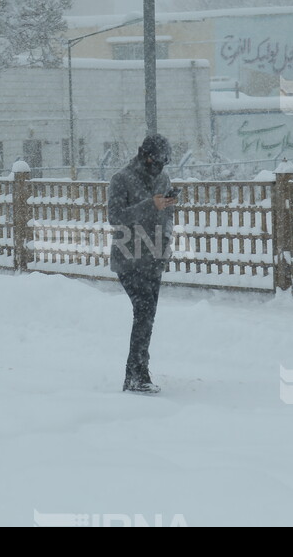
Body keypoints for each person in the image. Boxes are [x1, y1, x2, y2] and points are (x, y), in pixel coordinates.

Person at [108, 134, 177, 394]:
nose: (160, 167)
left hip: (153, 258)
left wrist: (166, 241)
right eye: (156, 161)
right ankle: (134, 376)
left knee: (147, 317)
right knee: (144, 313)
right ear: (145, 157)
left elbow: (167, 215)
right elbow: (115, 217)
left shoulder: (163, 178)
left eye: (163, 163)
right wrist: (151, 204)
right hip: (128, 258)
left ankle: (139, 373)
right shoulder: (121, 179)